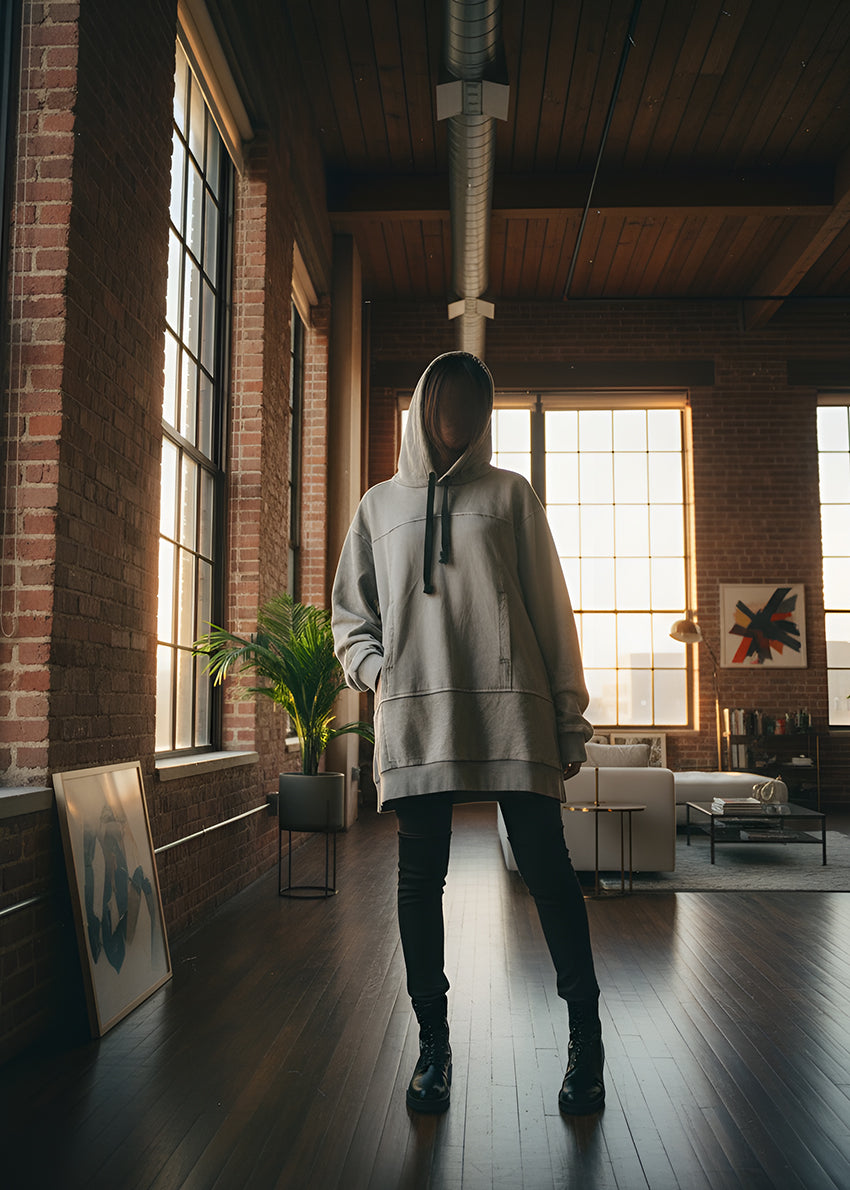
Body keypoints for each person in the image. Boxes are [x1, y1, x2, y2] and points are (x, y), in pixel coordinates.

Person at [331, 351, 604, 1116]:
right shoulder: (377, 507)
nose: (463, 416)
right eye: (451, 400)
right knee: (420, 885)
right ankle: (433, 1046)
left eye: (476, 403)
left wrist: (568, 716)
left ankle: (587, 1040)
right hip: (418, 720)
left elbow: (552, 611)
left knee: (550, 877)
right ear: (424, 405)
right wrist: (380, 674)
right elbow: (350, 620)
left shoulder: (511, 497)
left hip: (512, 716)